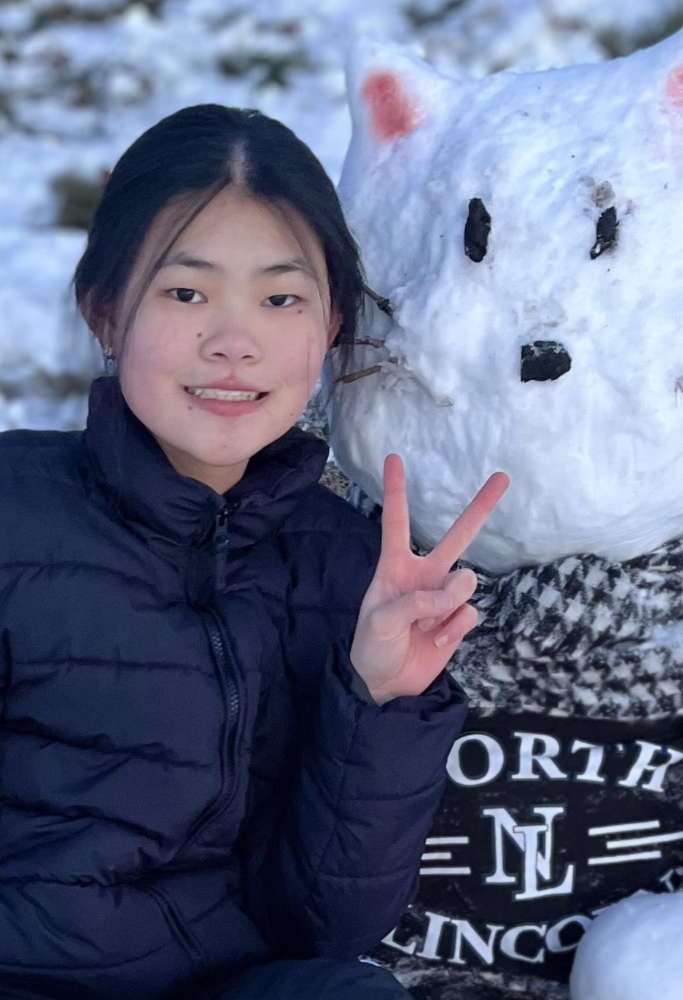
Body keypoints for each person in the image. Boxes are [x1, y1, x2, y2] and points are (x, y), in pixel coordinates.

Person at [0, 103, 509, 1000]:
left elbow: (327, 928)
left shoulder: (348, 570)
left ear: (330, 327)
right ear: (105, 313)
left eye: (280, 299)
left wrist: (377, 699)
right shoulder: (16, 514)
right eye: (186, 293)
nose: (234, 344)